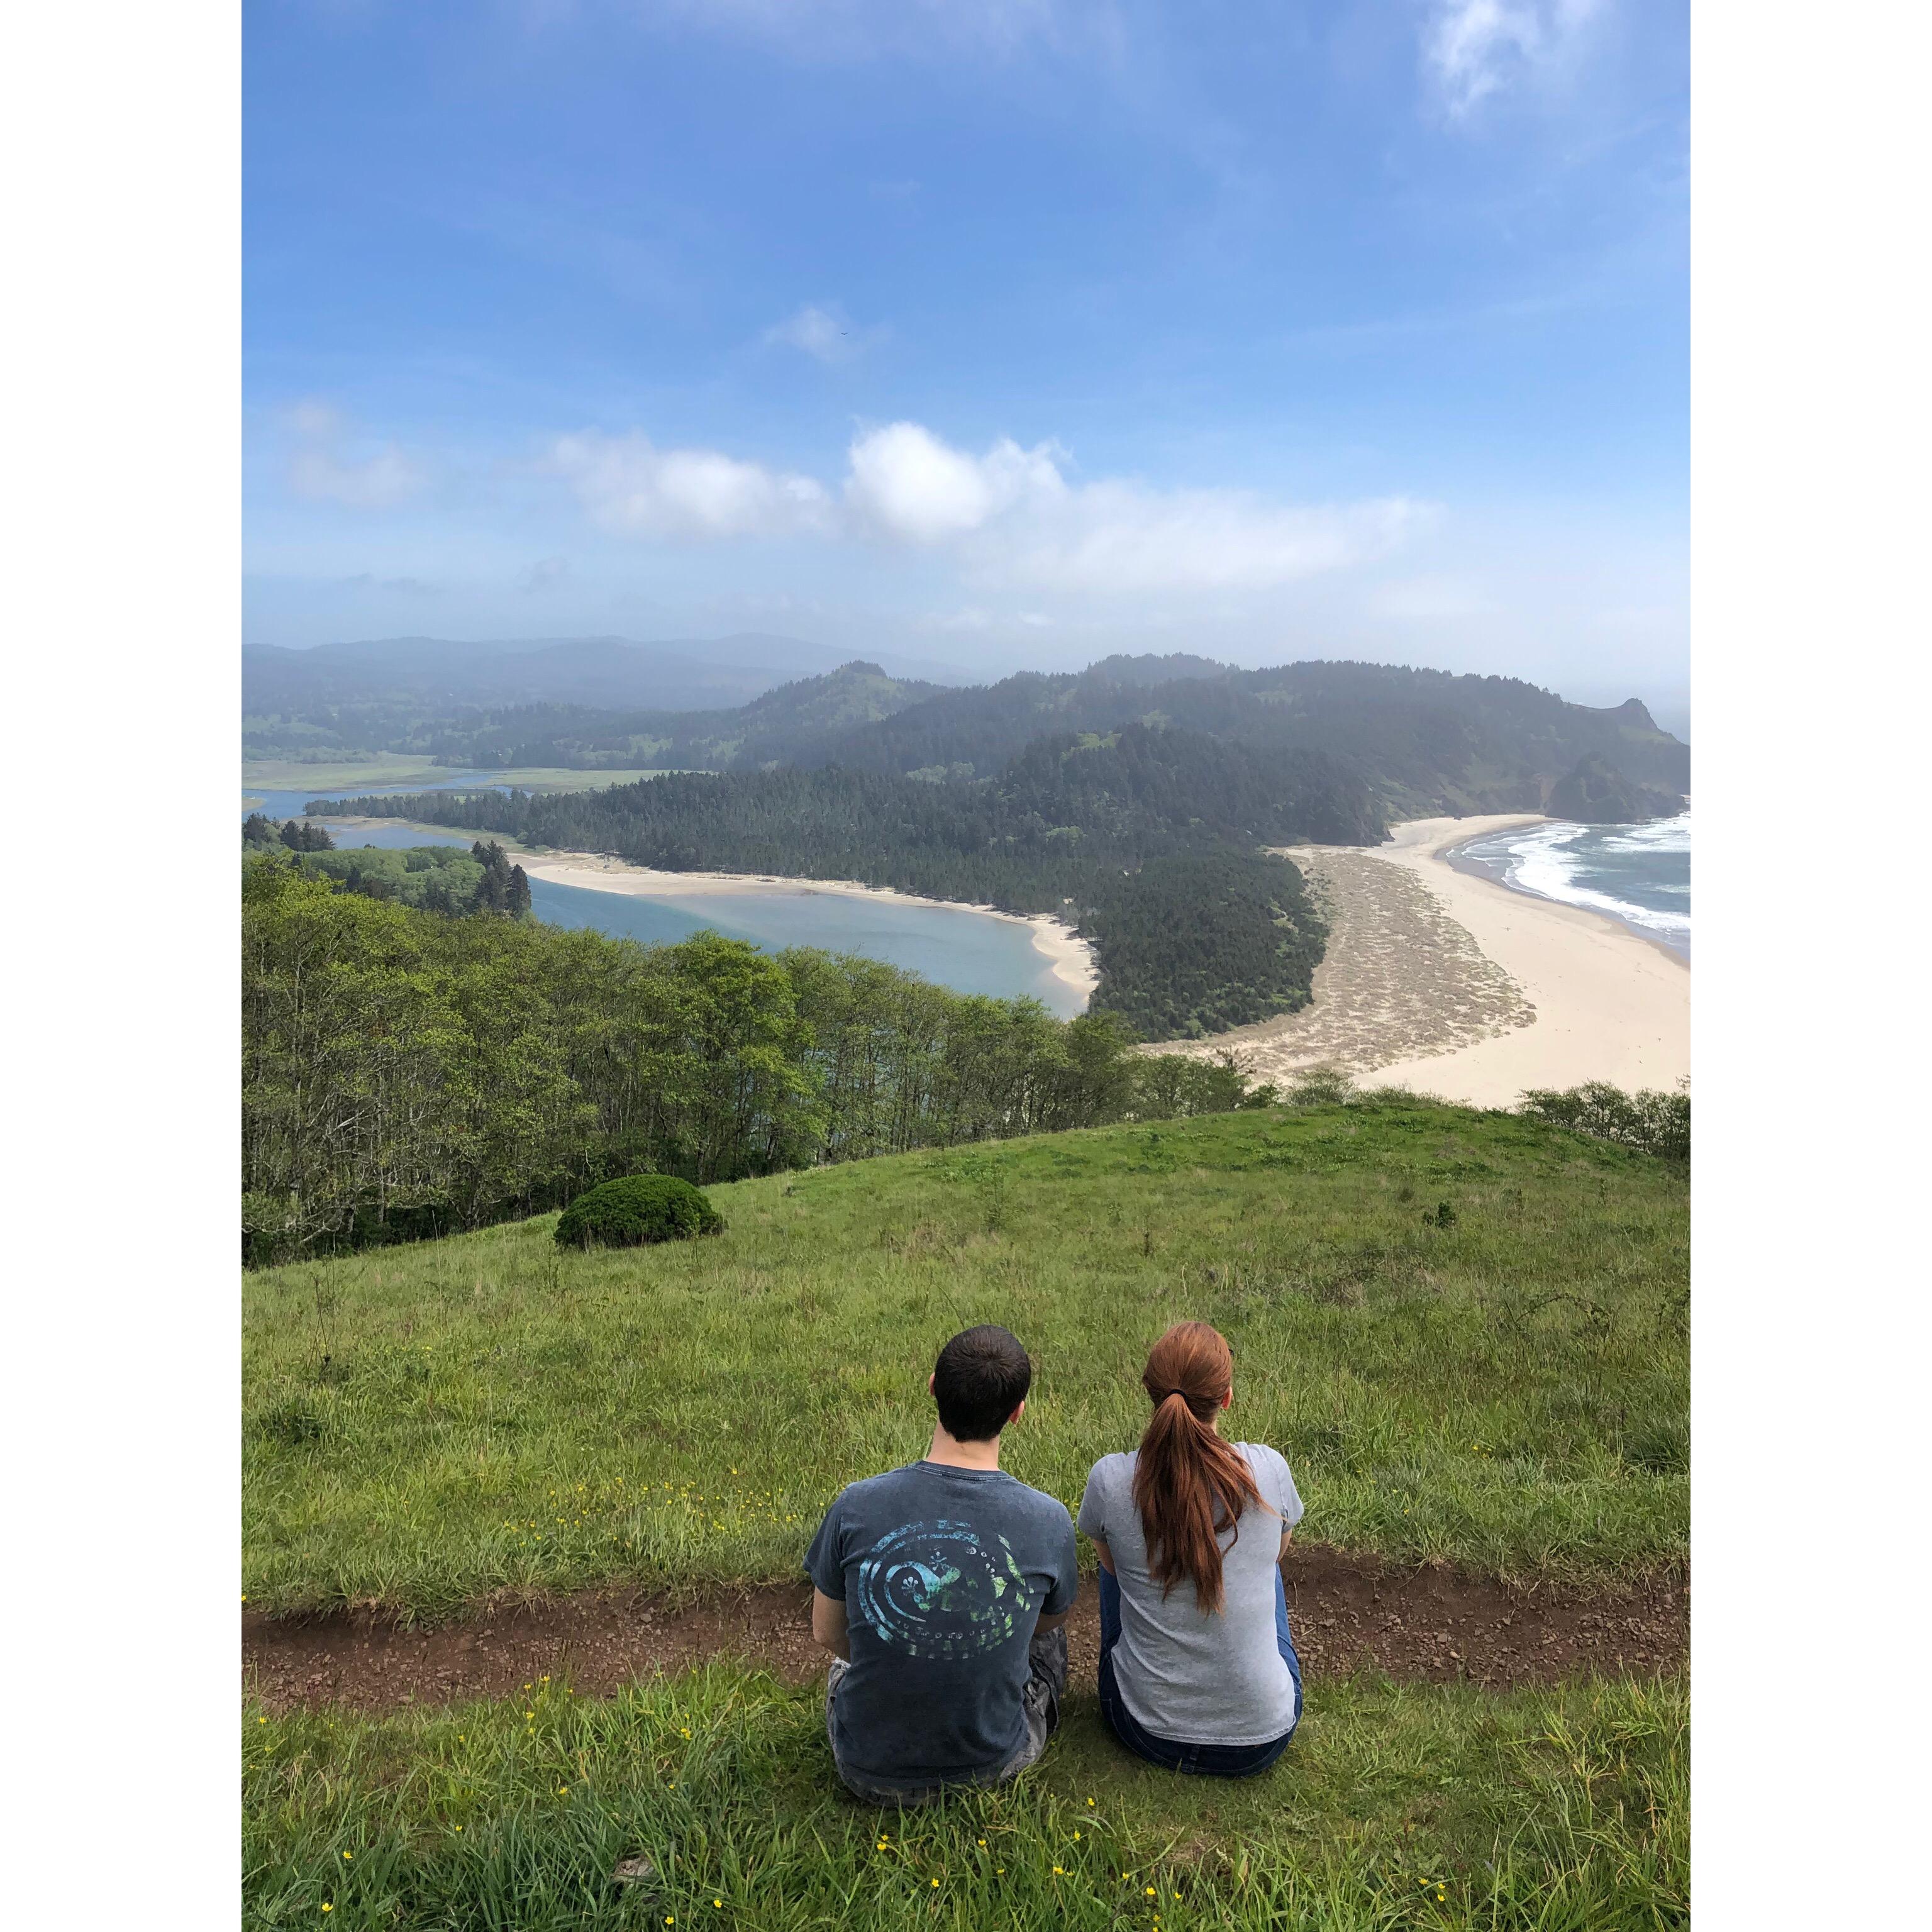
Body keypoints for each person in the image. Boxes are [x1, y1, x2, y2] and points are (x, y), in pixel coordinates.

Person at [805, 1324, 1080, 1804]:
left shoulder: (855, 1505)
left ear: (933, 1387)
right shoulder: (1049, 1519)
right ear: (1018, 1413)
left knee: (851, 1649)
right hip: (993, 1767)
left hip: (866, 1772)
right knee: (1047, 1634)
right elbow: (1049, 1621)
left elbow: (827, 1633)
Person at [1077, 1320, 1304, 1776]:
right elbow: (1278, 1554)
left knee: (1115, 1559)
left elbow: (1113, 1569)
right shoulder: (1269, 1470)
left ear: (1150, 1393)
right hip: (1262, 1739)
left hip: (1145, 1730)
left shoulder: (1110, 1479)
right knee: (1267, 1562)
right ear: (1227, 1398)